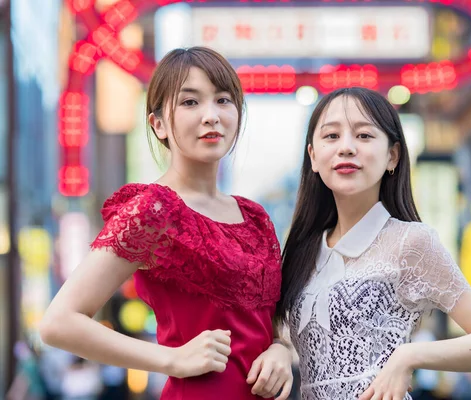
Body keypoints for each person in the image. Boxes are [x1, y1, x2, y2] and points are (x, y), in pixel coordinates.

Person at [40, 46, 293, 400]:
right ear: (158, 124)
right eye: (190, 102)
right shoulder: (153, 211)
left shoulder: (255, 217)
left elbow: (268, 319)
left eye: (223, 100)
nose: (211, 115)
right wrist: (171, 359)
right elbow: (58, 323)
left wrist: (280, 348)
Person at [276, 87, 471, 400]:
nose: (346, 148)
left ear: (393, 155)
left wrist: (409, 356)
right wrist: (279, 349)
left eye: (364, 136)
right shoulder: (301, 251)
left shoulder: (410, 242)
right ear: (313, 156)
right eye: (332, 136)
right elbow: (276, 334)